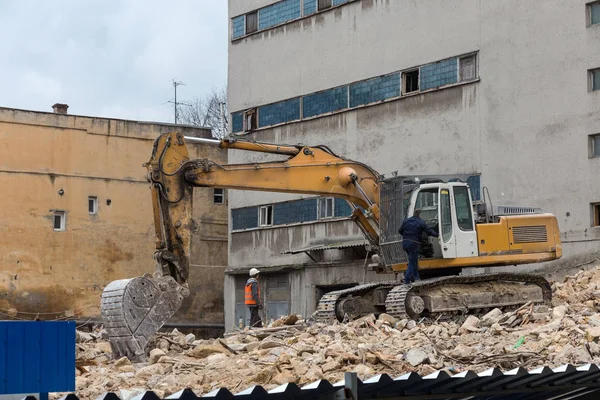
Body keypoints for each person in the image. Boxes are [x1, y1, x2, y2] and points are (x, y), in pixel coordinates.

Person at [399, 209, 439, 284]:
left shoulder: (406, 221)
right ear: (419, 215)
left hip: (405, 243)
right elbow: (429, 231)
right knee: (412, 262)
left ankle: (416, 277)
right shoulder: (421, 222)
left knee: (414, 260)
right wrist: (437, 235)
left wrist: (407, 236)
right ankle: (407, 280)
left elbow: (400, 231)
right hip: (414, 244)